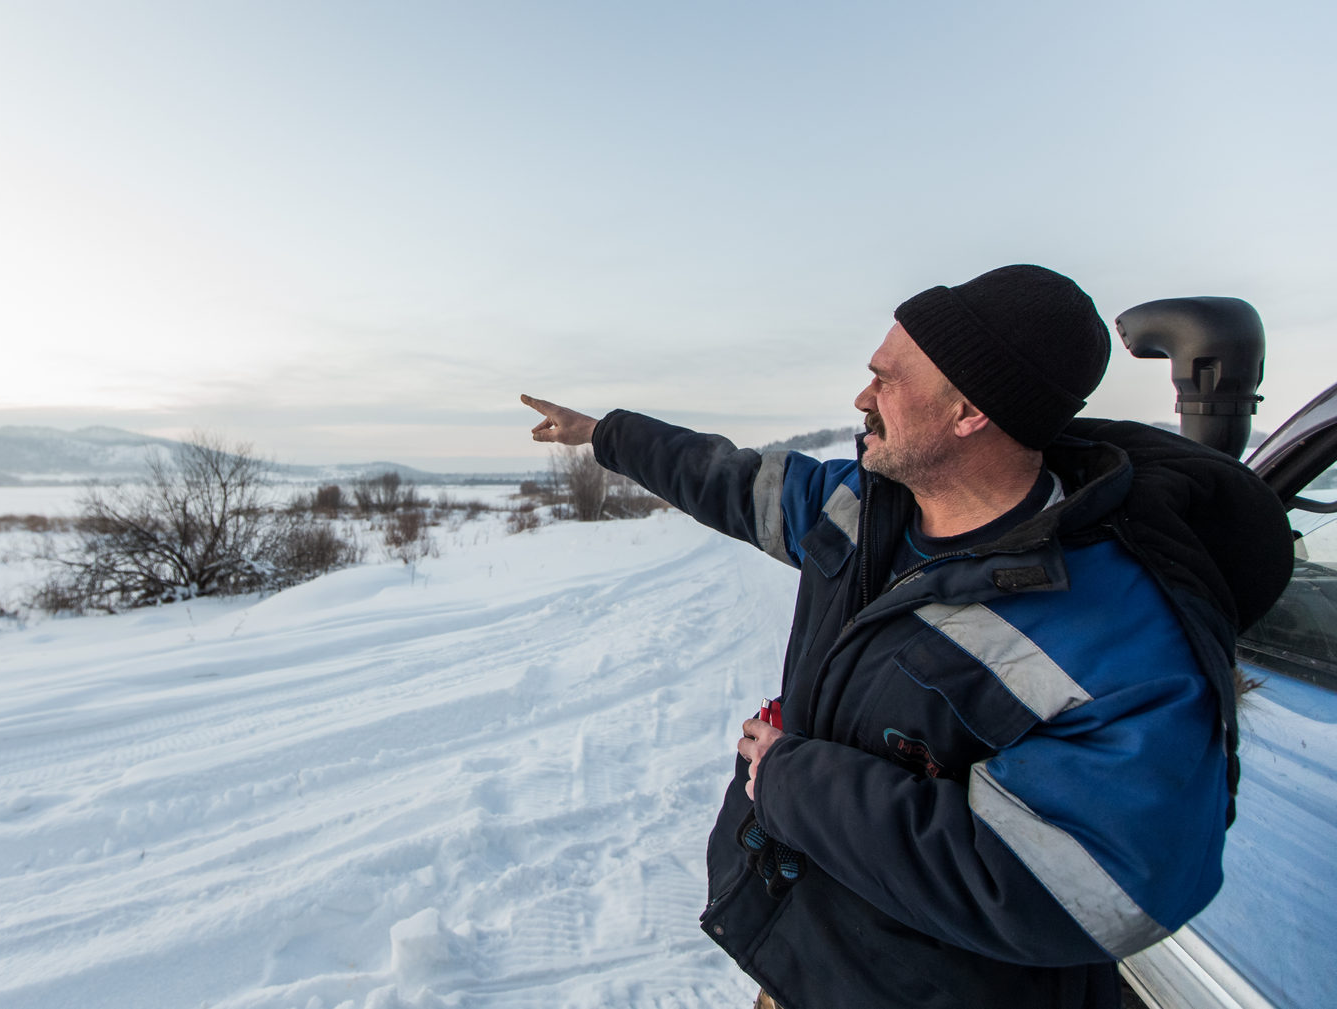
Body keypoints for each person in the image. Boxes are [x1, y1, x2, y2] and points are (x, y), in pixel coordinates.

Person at [521, 265, 1292, 1009]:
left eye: (887, 377)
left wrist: (793, 781)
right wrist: (605, 435)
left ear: (971, 412)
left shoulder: (1116, 635)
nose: (862, 397)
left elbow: (1084, 893)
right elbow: (725, 477)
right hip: (808, 957)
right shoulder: (865, 505)